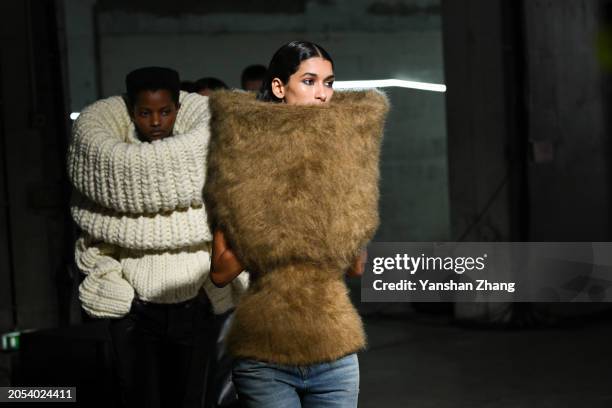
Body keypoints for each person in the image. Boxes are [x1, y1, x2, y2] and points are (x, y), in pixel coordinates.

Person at [203, 41, 388, 408]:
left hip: (335, 354)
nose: (322, 94)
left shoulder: (342, 164)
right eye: (309, 81)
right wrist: (269, 208)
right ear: (277, 87)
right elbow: (221, 272)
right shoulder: (240, 162)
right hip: (264, 355)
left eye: (329, 83)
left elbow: (355, 267)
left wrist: (340, 202)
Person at [68, 66, 248, 408]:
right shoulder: (112, 168)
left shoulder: (206, 159)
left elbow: (227, 229)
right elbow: (94, 240)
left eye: (165, 112)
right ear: (131, 112)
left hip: (196, 306)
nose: (155, 121)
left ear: (177, 110)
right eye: (145, 112)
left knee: (194, 398)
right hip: (138, 311)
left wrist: (213, 291)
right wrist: (118, 290)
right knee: (141, 399)